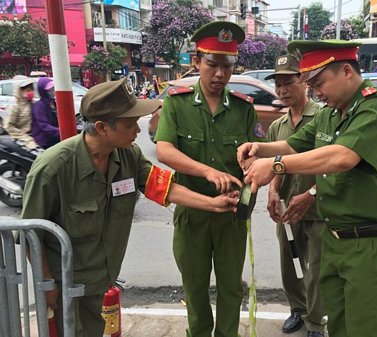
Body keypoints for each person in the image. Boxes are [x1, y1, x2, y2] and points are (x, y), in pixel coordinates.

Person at [21, 78, 239, 337]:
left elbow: (162, 187)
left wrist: (213, 204)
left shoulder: (128, 155)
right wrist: (46, 285)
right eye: (129, 124)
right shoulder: (54, 168)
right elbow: (29, 233)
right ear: (102, 127)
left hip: (101, 278)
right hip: (66, 284)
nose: (138, 129)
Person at [237, 40, 377, 337]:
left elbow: (343, 157)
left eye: (319, 82)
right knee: (340, 329)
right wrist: (259, 148)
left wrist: (276, 165)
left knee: (369, 331)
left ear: (346, 71)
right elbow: (292, 145)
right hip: (336, 241)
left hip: (373, 242)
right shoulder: (329, 114)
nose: (316, 91)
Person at [154, 21, 265, 337]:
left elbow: (254, 154)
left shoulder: (244, 108)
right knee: (195, 287)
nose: (219, 74)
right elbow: (164, 151)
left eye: (227, 66)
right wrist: (206, 171)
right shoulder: (177, 101)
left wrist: (253, 170)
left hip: (231, 214)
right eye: (212, 65)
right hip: (193, 213)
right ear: (196, 62)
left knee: (231, 287)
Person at [265, 54, 326, 337]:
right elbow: (276, 163)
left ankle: (315, 321)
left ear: (303, 81)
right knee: (290, 263)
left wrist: (312, 194)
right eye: (277, 84)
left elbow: (333, 166)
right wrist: (272, 190)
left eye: (288, 83)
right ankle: (297, 310)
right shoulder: (278, 126)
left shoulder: (324, 119)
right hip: (288, 212)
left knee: (315, 269)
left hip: (317, 210)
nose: (282, 90)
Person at [5, 77, 40, 149]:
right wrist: (25, 138)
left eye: (32, 89)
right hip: (24, 139)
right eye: (28, 90)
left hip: (37, 135)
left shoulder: (34, 103)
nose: (31, 92)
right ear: (20, 91)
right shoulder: (15, 107)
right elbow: (8, 126)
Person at [31, 77, 60, 149]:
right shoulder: (39, 106)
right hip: (45, 139)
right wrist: (60, 131)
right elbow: (44, 125)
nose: (52, 91)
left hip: (55, 136)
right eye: (49, 90)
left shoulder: (53, 103)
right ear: (43, 91)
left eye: (53, 88)